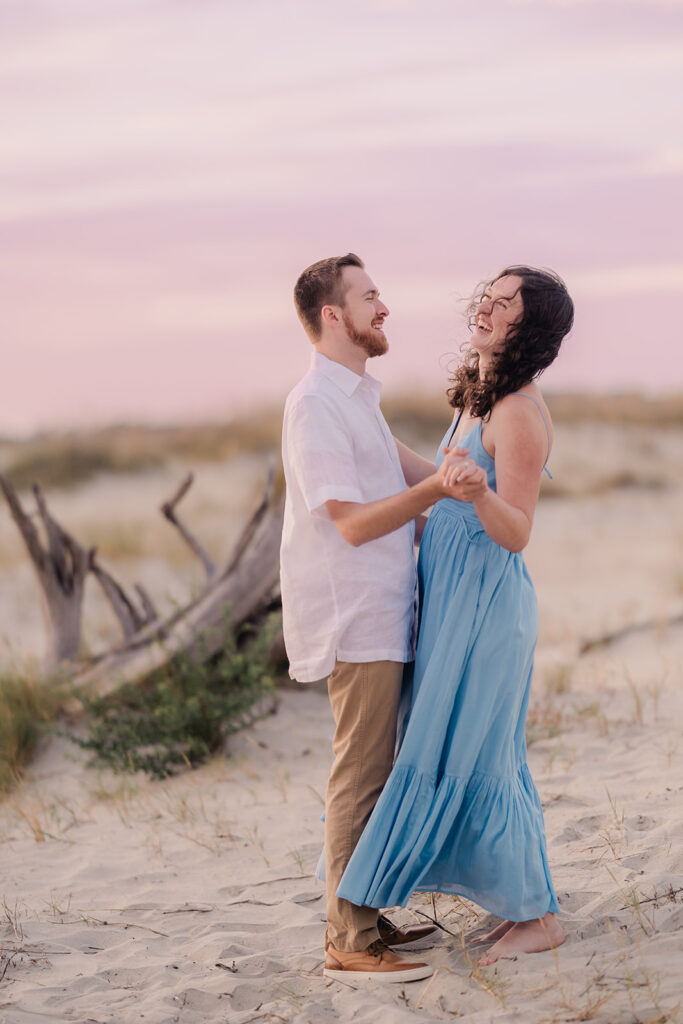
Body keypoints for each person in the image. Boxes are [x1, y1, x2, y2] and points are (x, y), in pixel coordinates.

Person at [337, 265, 574, 966]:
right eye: (486, 297)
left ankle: (538, 917)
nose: (486, 309)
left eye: (504, 305)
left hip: (485, 611)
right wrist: (365, 431)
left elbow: (517, 531)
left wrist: (474, 496)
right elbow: (439, 475)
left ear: (527, 328)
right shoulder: (479, 398)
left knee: (487, 759)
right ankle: (519, 907)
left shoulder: (517, 413)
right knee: (470, 752)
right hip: (451, 604)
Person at [280, 253, 476, 983]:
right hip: (353, 616)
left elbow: (412, 470)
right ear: (332, 315)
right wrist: (439, 496)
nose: (382, 307)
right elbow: (353, 524)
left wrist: (472, 483)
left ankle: (362, 908)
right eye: (369, 297)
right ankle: (348, 941)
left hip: (389, 609)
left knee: (379, 770)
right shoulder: (314, 406)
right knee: (359, 775)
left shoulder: (356, 396)